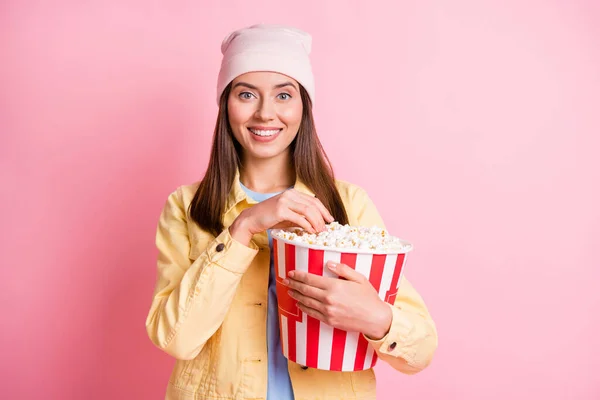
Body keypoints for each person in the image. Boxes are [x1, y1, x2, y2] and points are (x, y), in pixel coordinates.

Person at [145, 24, 438, 400]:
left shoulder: (347, 205)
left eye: (284, 95)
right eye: (246, 94)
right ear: (226, 105)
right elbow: (176, 339)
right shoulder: (186, 207)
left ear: (304, 107)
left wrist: (377, 318)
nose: (266, 113)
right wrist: (244, 226)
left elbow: (421, 350)